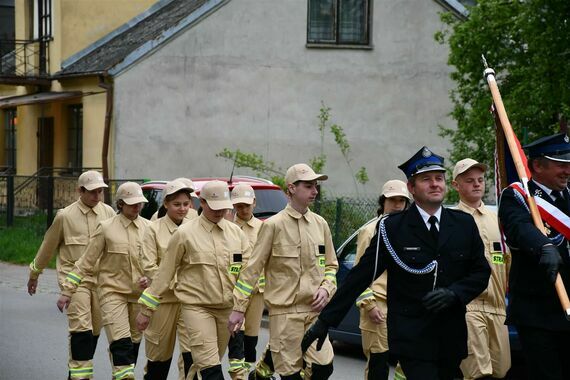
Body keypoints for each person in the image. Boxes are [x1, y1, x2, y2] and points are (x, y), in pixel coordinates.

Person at [302, 147, 490, 380]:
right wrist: (326, 320)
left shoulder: (463, 224)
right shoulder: (392, 228)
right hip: (413, 337)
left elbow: (481, 272)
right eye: (426, 179)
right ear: (411, 188)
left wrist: (454, 294)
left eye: (439, 178)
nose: (435, 184)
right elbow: (360, 276)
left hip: (451, 336)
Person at [228, 163, 338, 380]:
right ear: (291, 189)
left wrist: (326, 289)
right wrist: (239, 308)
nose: (314, 191)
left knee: (324, 367)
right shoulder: (273, 226)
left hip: (314, 313)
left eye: (315, 186)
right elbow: (252, 269)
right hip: (285, 314)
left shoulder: (320, 224)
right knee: (291, 374)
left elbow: (332, 266)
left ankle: (259, 375)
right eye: (308, 186)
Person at [136, 180, 250, 380]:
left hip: (226, 309)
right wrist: (146, 310)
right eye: (214, 207)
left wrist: (240, 307)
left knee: (201, 366)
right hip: (196, 307)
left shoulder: (236, 234)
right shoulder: (185, 234)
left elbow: (247, 273)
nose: (219, 212)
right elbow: (163, 274)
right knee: (210, 368)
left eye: (224, 208)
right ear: (203, 203)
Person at [57, 182, 150, 380]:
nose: (137, 207)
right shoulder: (106, 228)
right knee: (122, 344)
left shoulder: (149, 229)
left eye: (139, 203)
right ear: (121, 204)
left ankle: (122, 374)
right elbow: (85, 262)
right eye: (132, 203)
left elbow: (158, 263)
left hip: (138, 298)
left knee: (132, 345)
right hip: (112, 294)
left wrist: (150, 278)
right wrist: (68, 290)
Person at [27, 171, 115, 379]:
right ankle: (80, 377)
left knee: (93, 331)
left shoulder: (109, 213)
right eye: (92, 192)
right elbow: (47, 247)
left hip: (101, 281)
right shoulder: (65, 216)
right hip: (74, 282)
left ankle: (75, 371)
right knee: (81, 328)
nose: (97, 196)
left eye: (100, 191)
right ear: (80, 191)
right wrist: (34, 274)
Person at [498, 133, 570, 380]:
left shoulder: (569, 197)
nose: (567, 170)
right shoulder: (516, 197)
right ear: (538, 165)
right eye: (561, 164)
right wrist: (544, 246)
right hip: (537, 314)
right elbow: (519, 228)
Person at [452, 158, 511, 379]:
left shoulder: (498, 220)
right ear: (456, 185)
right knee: (478, 372)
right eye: (469, 181)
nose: (477, 184)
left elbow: (507, 261)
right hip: (469, 307)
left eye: (480, 180)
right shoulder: (452, 220)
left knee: (500, 370)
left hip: (498, 308)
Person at [138, 180, 197, 379]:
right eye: (177, 204)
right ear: (166, 204)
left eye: (186, 204)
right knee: (159, 357)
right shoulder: (153, 230)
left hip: (190, 301)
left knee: (193, 354)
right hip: (163, 301)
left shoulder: (195, 228)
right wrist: (175, 284)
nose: (182, 209)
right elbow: (149, 267)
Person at [354, 179, 410, 380]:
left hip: (404, 307)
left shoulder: (411, 232)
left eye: (401, 201)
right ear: (382, 202)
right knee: (379, 362)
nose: (397, 205)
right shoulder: (370, 231)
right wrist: (369, 305)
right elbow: (359, 274)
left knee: (410, 362)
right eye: (392, 200)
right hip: (378, 305)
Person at [226, 184, 264, 379]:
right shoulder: (229, 229)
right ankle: (237, 373)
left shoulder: (264, 228)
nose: (243, 209)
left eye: (247, 205)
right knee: (236, 334)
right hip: (236, 291)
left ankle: (249, 371)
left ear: (254, 203)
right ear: (233, 206)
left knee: (251, 335)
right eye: (239, 206)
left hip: (258, 291)